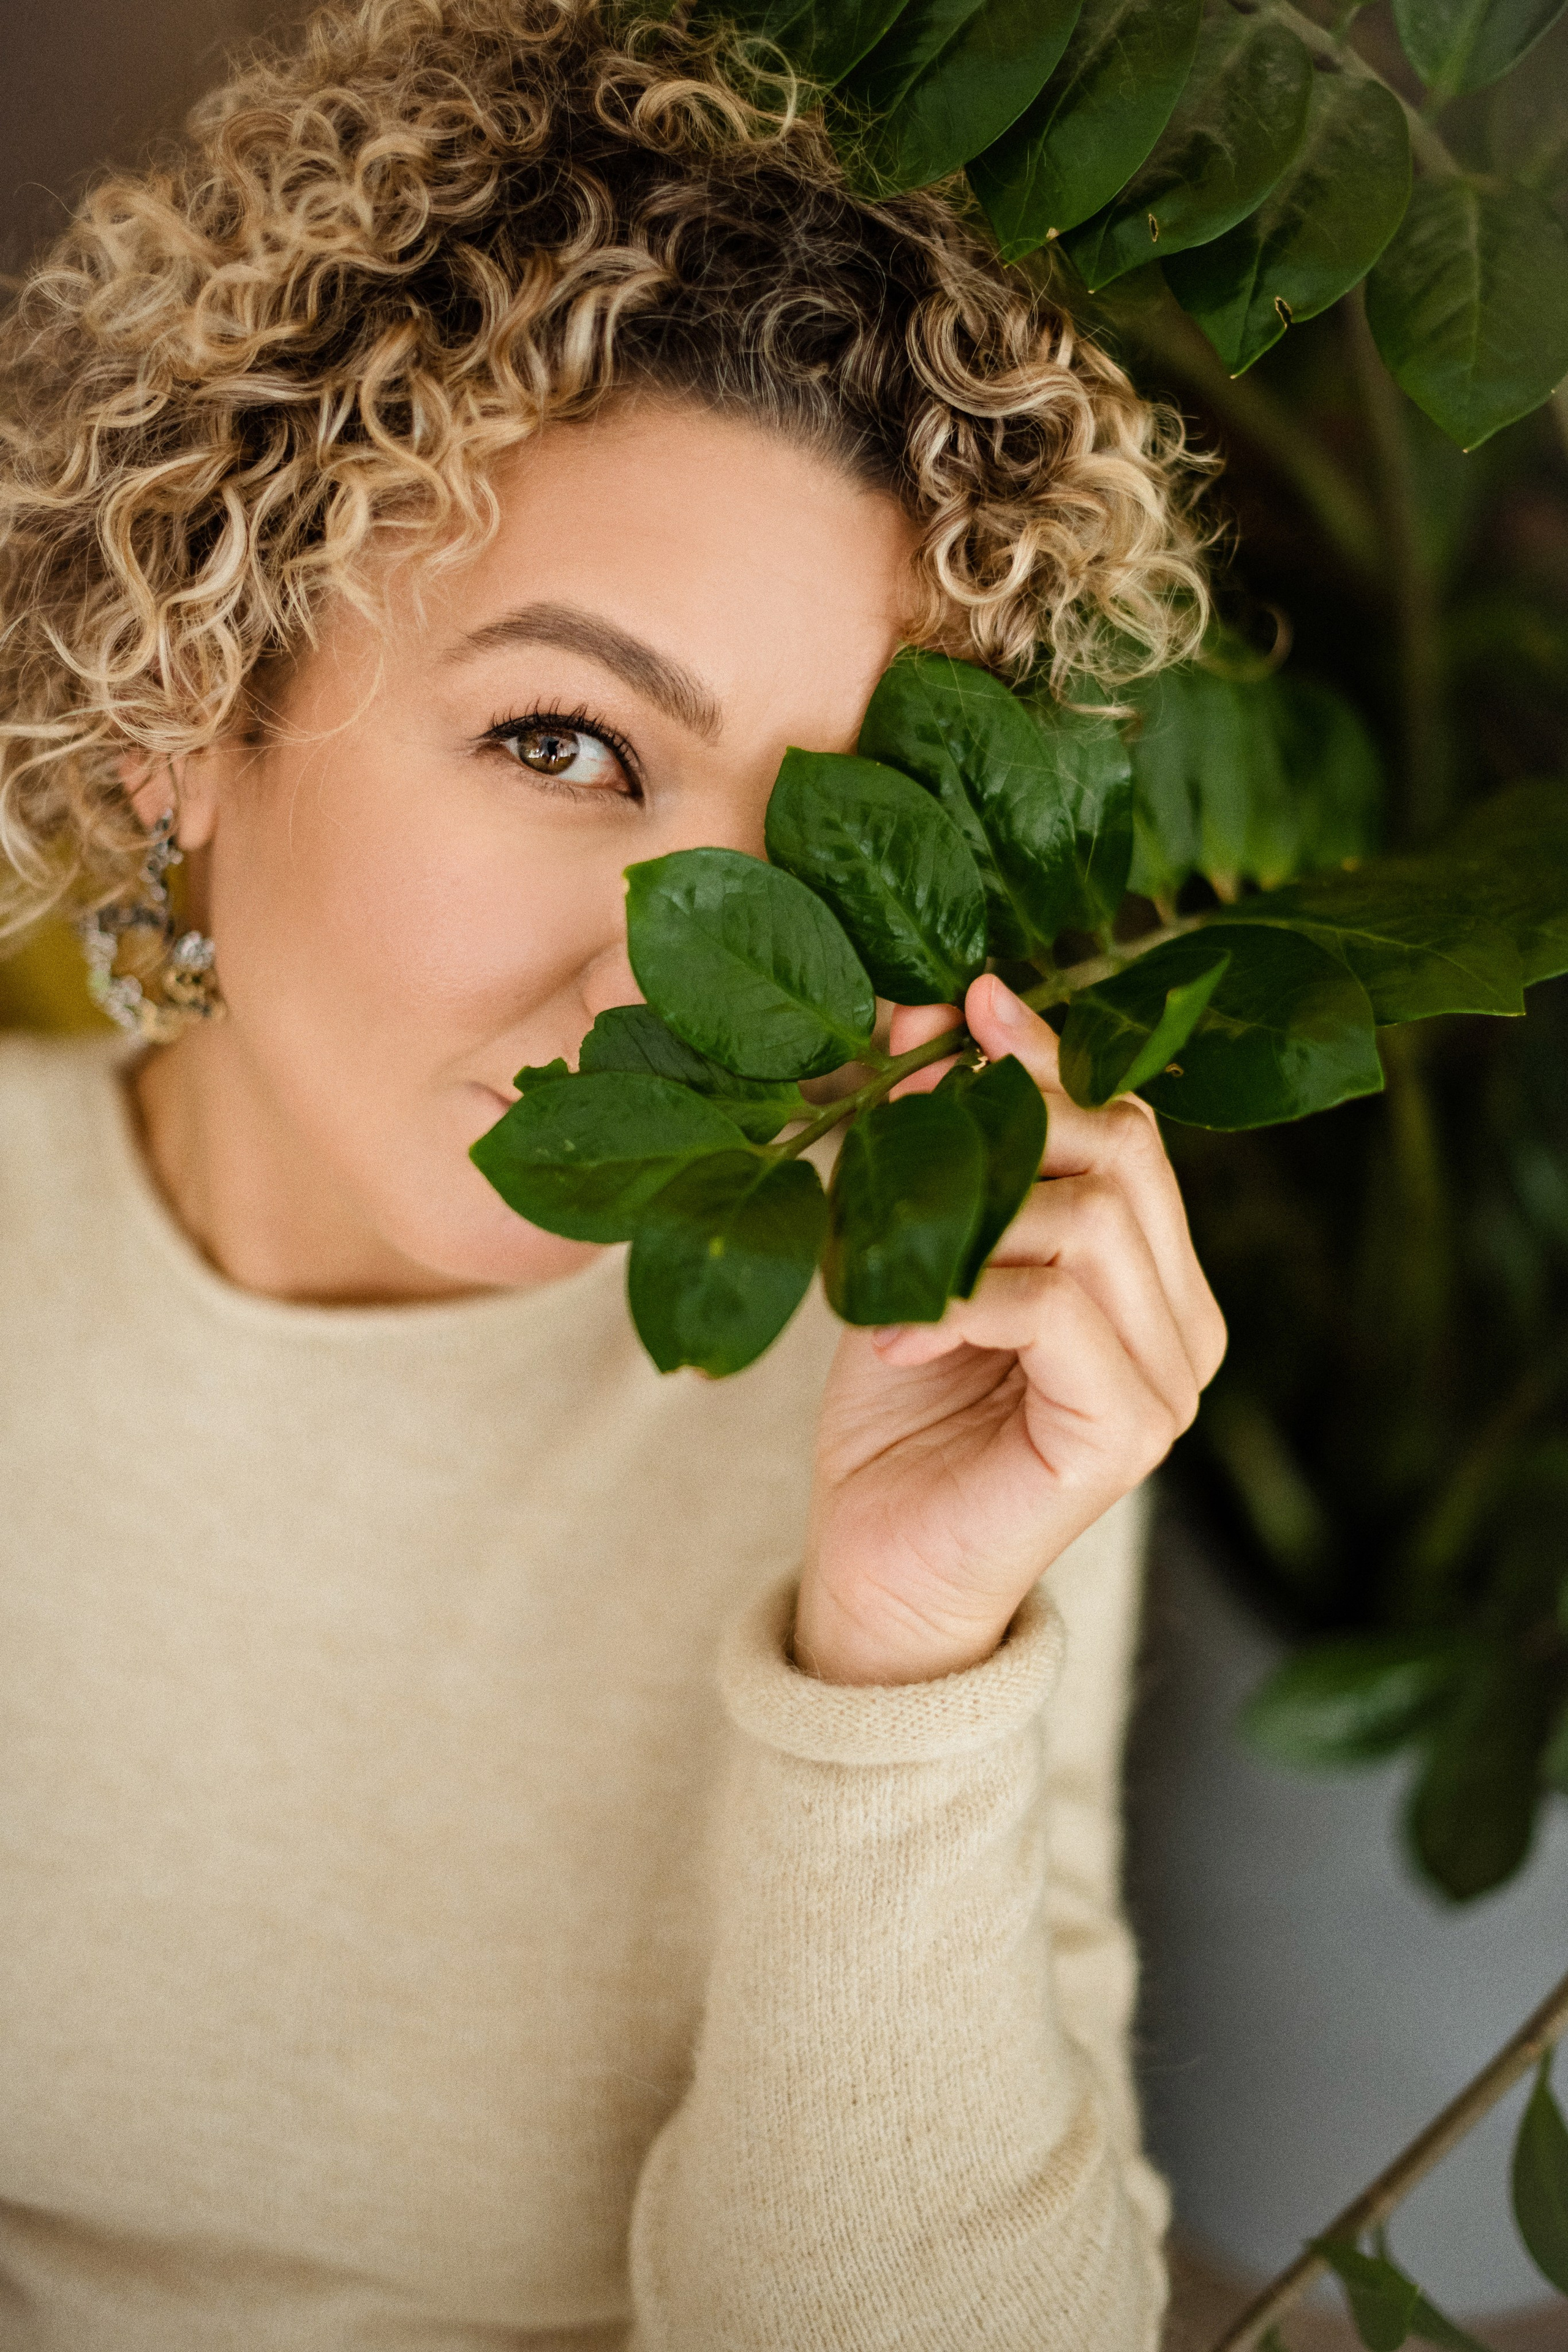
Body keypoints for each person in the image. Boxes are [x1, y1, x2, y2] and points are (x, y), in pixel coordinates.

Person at [0, 1, 1224, 2342]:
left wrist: (896, 1661)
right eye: (564, 738)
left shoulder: (930, 1355)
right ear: (189, 705)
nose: (690, 967)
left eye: (828, 831)